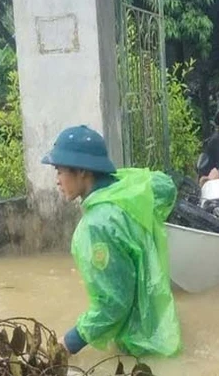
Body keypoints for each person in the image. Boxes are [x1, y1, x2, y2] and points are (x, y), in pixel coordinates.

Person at [41, 125, 182, 357]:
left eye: (59, 171)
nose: (57, 180)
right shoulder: (129, 195)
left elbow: (112, 305)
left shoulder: (97, 225)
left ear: (83, 172)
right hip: (164, 330)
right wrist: (121, 177)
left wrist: (68, 343)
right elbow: (166, 187)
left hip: (140, 350)